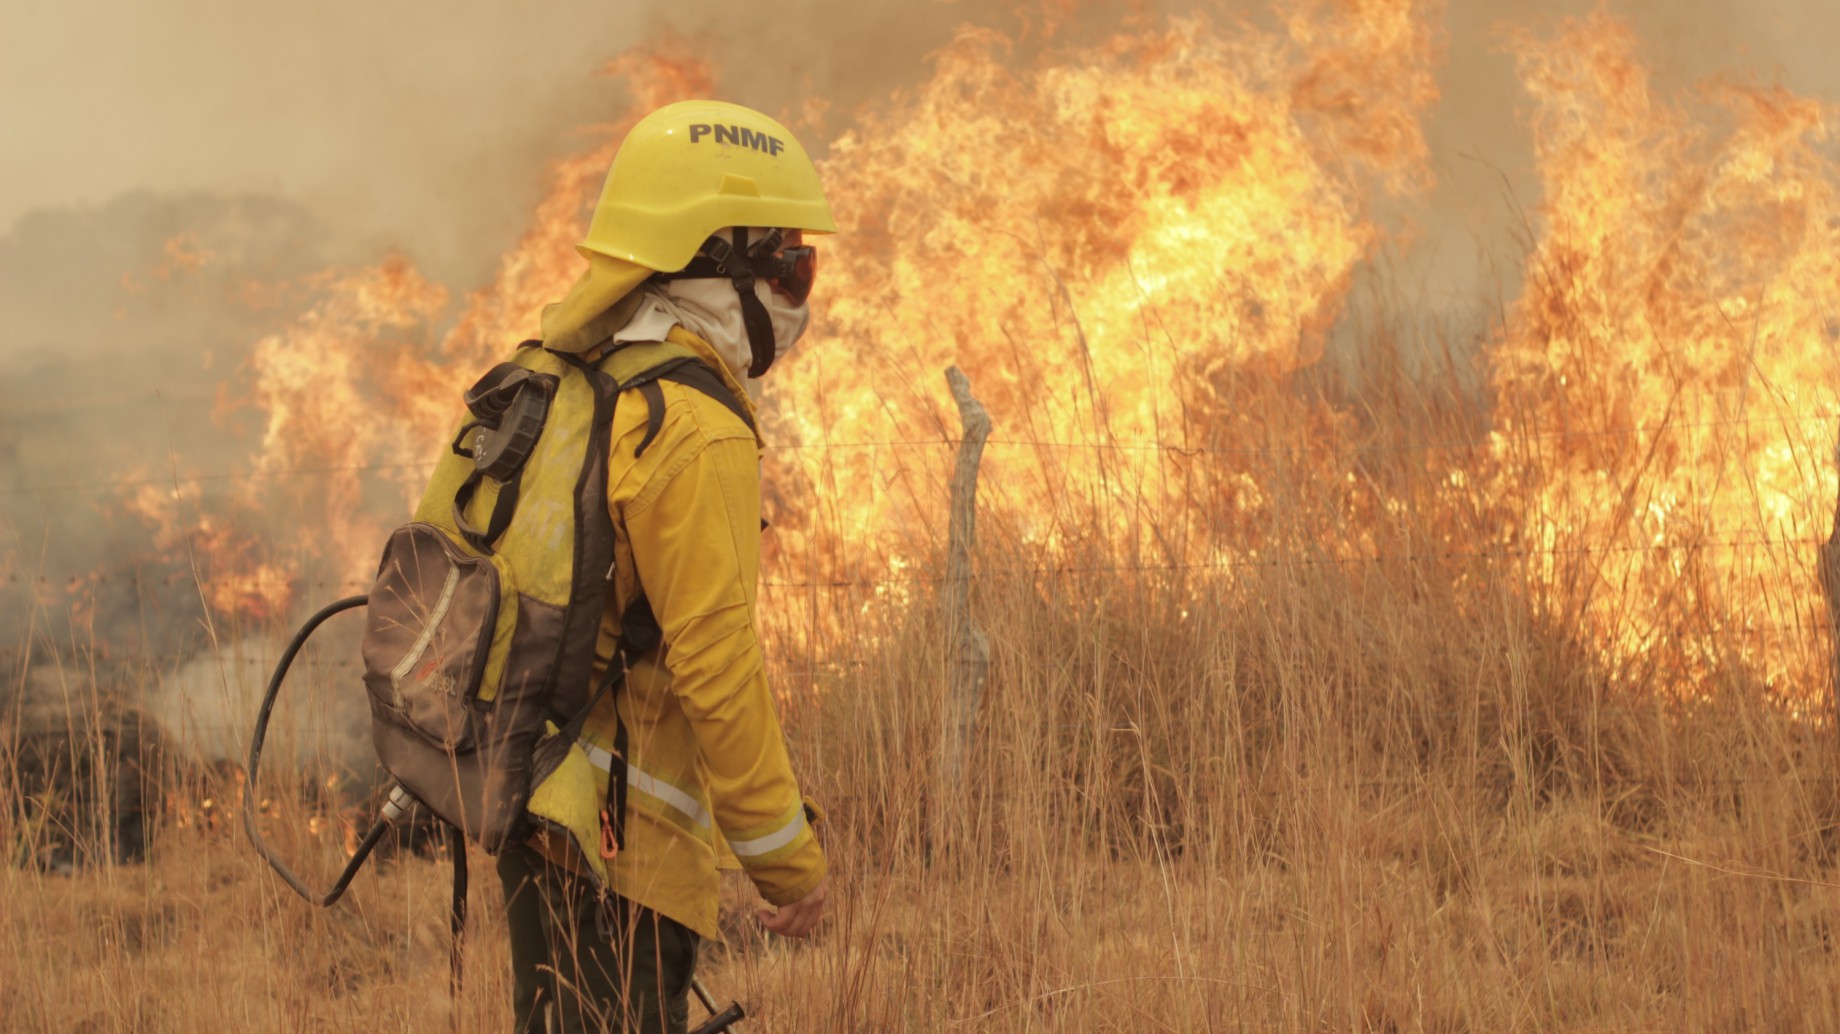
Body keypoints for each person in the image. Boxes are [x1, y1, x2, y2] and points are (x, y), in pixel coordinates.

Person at [497, 99, 834, 1033]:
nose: (802, 296)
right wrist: (787, 863)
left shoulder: (577, 378)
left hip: (535, 809)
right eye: (794, 267)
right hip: (622, 850)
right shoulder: (690, 428)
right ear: (718, 266)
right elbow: (716, 665)